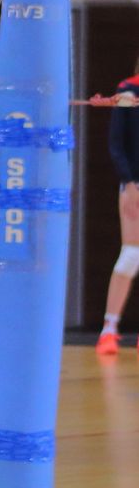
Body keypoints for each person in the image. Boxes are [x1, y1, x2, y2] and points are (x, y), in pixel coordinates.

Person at [97, 60, 139, 355]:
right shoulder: (127, 92)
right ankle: (109, 329)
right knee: (132, 255)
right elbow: (117, 144)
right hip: (134, 184)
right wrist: (129, 183)